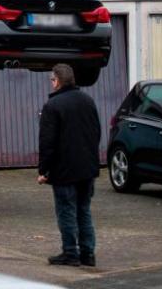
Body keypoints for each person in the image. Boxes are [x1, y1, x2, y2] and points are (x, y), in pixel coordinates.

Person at [37, 63, 101, 267]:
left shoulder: (52, 106)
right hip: (87, 168)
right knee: (84, 210)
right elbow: (96, 133)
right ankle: (88, 254)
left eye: (52, 79)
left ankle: (70, 253)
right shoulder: (88, 101)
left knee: (66, 211)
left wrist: (43, 170)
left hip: (64, 170)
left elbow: (47, 142)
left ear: (56, 81)